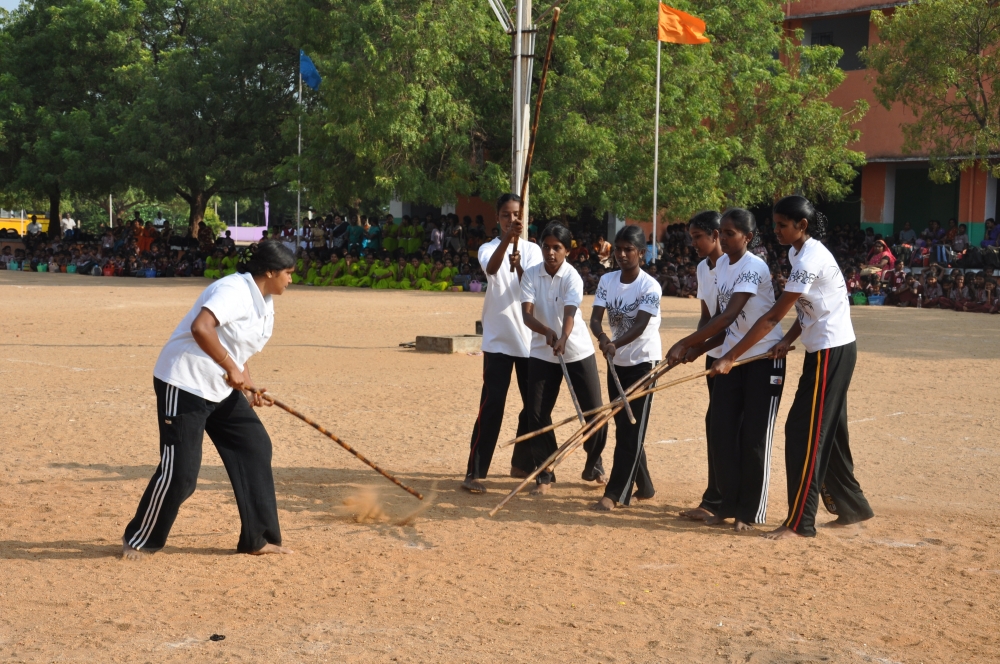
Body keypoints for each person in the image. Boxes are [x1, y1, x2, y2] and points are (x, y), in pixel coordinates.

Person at [709, 195, 874, 540]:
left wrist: (730, 357)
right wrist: (792, 337)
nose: (777, 231)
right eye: (776, 224)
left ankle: (800, 523)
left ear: (802, 226)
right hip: (824, 349)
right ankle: (852, 506)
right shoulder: (796, 252)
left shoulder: (809, 258)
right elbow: (807, 305)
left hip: (832, 350)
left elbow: (771, 318)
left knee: (805, 433)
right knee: (831, 434)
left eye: (783, 225)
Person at [121, 241, 296, 559]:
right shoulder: (233, 290)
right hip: (184, 381)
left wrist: (248, 381)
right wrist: (230, 367)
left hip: (218, 387)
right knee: (182, 473)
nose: (291, 279)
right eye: (288, 273)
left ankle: (257, 538)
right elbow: (201, 328)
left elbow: (235, 344)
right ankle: (141, 540)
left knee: (254, 446)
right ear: (270, 271)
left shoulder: (264, 300)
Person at [667, 209, 785, 531]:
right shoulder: (718, 268)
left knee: (753, 438)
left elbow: (729, 316)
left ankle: (748, 513)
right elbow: (719, 324)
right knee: (720, 431)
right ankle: (725, 506)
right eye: (724, 231)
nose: (726, 237)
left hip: (761, 359)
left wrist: (683, 342)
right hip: (732, 358)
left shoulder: (753, 266)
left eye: (732, 233)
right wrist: (696, 350)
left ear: (747, 237)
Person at [462, 193, 543, 493]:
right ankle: (475, 472)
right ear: (498, 218)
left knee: (533, 409)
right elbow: (493, 270)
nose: (511, 220)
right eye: (506, 215)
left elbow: (530, 288)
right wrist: (507, 244)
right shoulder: (488, 248)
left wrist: (520, 264)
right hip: (498, 341)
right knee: (492, 405)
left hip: (528, 342)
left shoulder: (534, 251)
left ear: (525, 219)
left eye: (516, 215)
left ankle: (525, 463)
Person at [520, 223, 608, 495]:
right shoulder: (531, 275)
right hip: (542, 351)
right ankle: (544, 473)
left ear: (567, 250)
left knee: (594, 412)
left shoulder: (572, 276)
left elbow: (571, 312)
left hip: (576, 350)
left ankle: (594, 464)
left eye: (556, 247)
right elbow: (526, 314)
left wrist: (563, 337)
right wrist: (546, 331)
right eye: (546, 246)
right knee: (536, 413)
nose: (550, 252)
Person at [589, 225, 662, 511]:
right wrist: (603, 338)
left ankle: (616, 493)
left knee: (632, 431)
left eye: (628, 249)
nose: (621, 254)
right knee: (626, 426)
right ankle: (645, 486)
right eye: (618, 248)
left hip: (643, 363)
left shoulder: (649, 286)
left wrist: (615, 343)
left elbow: (641, 324)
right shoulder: (607, 281)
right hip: (615, 362)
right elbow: (595, 319)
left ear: (642, 253)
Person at [674, 211, 726, 522]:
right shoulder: (702, 268)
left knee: (721, 427)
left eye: (698, 237)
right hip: (713, 355)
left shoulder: (735, 267)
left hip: (733, 356)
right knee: (714, 426)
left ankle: (719, 502)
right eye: (692, 237)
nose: (693, 243)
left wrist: (689, 344)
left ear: (716, 235)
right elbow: (707, 316)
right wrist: (694, 348)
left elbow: (726, 319)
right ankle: (714, 498)